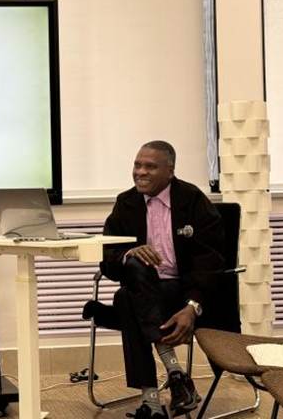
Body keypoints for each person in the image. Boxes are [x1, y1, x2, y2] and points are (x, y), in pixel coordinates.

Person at [98, 141, 225, 419]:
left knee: (125, 300)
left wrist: (192, 306)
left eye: (150, 166)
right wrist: (130, 252)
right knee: (133, 274)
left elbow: (212, 261)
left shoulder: (193, 200)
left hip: (182, 290)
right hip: (144, 288)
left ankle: (152, 403)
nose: (140, 172)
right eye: (137, 165)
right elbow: (107, 257)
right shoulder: (126, 203)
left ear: (170, 170)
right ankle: (176, 375)